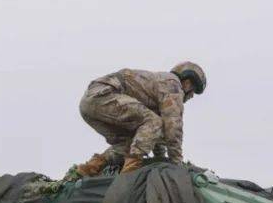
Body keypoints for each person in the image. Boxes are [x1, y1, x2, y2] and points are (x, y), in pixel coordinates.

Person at [75, 61, 207, 177]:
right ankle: (128, 174)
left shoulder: (160, 91)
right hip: (104, 95)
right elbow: (173, 128)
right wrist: (176, 164)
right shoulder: (173, 85)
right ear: (188, 83)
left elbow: (155, 136)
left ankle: (89, 168)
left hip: (90, 104)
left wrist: (160, 159)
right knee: (154, 122)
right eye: (193, 91)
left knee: (133, 142)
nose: (192, 96)